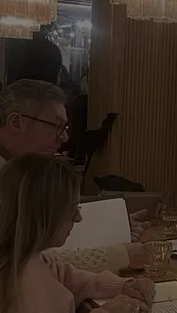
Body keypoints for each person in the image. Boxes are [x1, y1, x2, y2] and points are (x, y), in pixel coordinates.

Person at [0, 154, 155, 313]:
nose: (79, 218)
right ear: (46, 214)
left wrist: (121, 285)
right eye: (72, 210)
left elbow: (60, 273)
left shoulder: (22, 256)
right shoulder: (28, 292)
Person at [0, 79, 146, 273]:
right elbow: (19, 263)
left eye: (65, 128)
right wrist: (119, 255)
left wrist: (112, 225)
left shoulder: (19, 172)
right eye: (57, 126)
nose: (64, 137)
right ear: (16, 122)